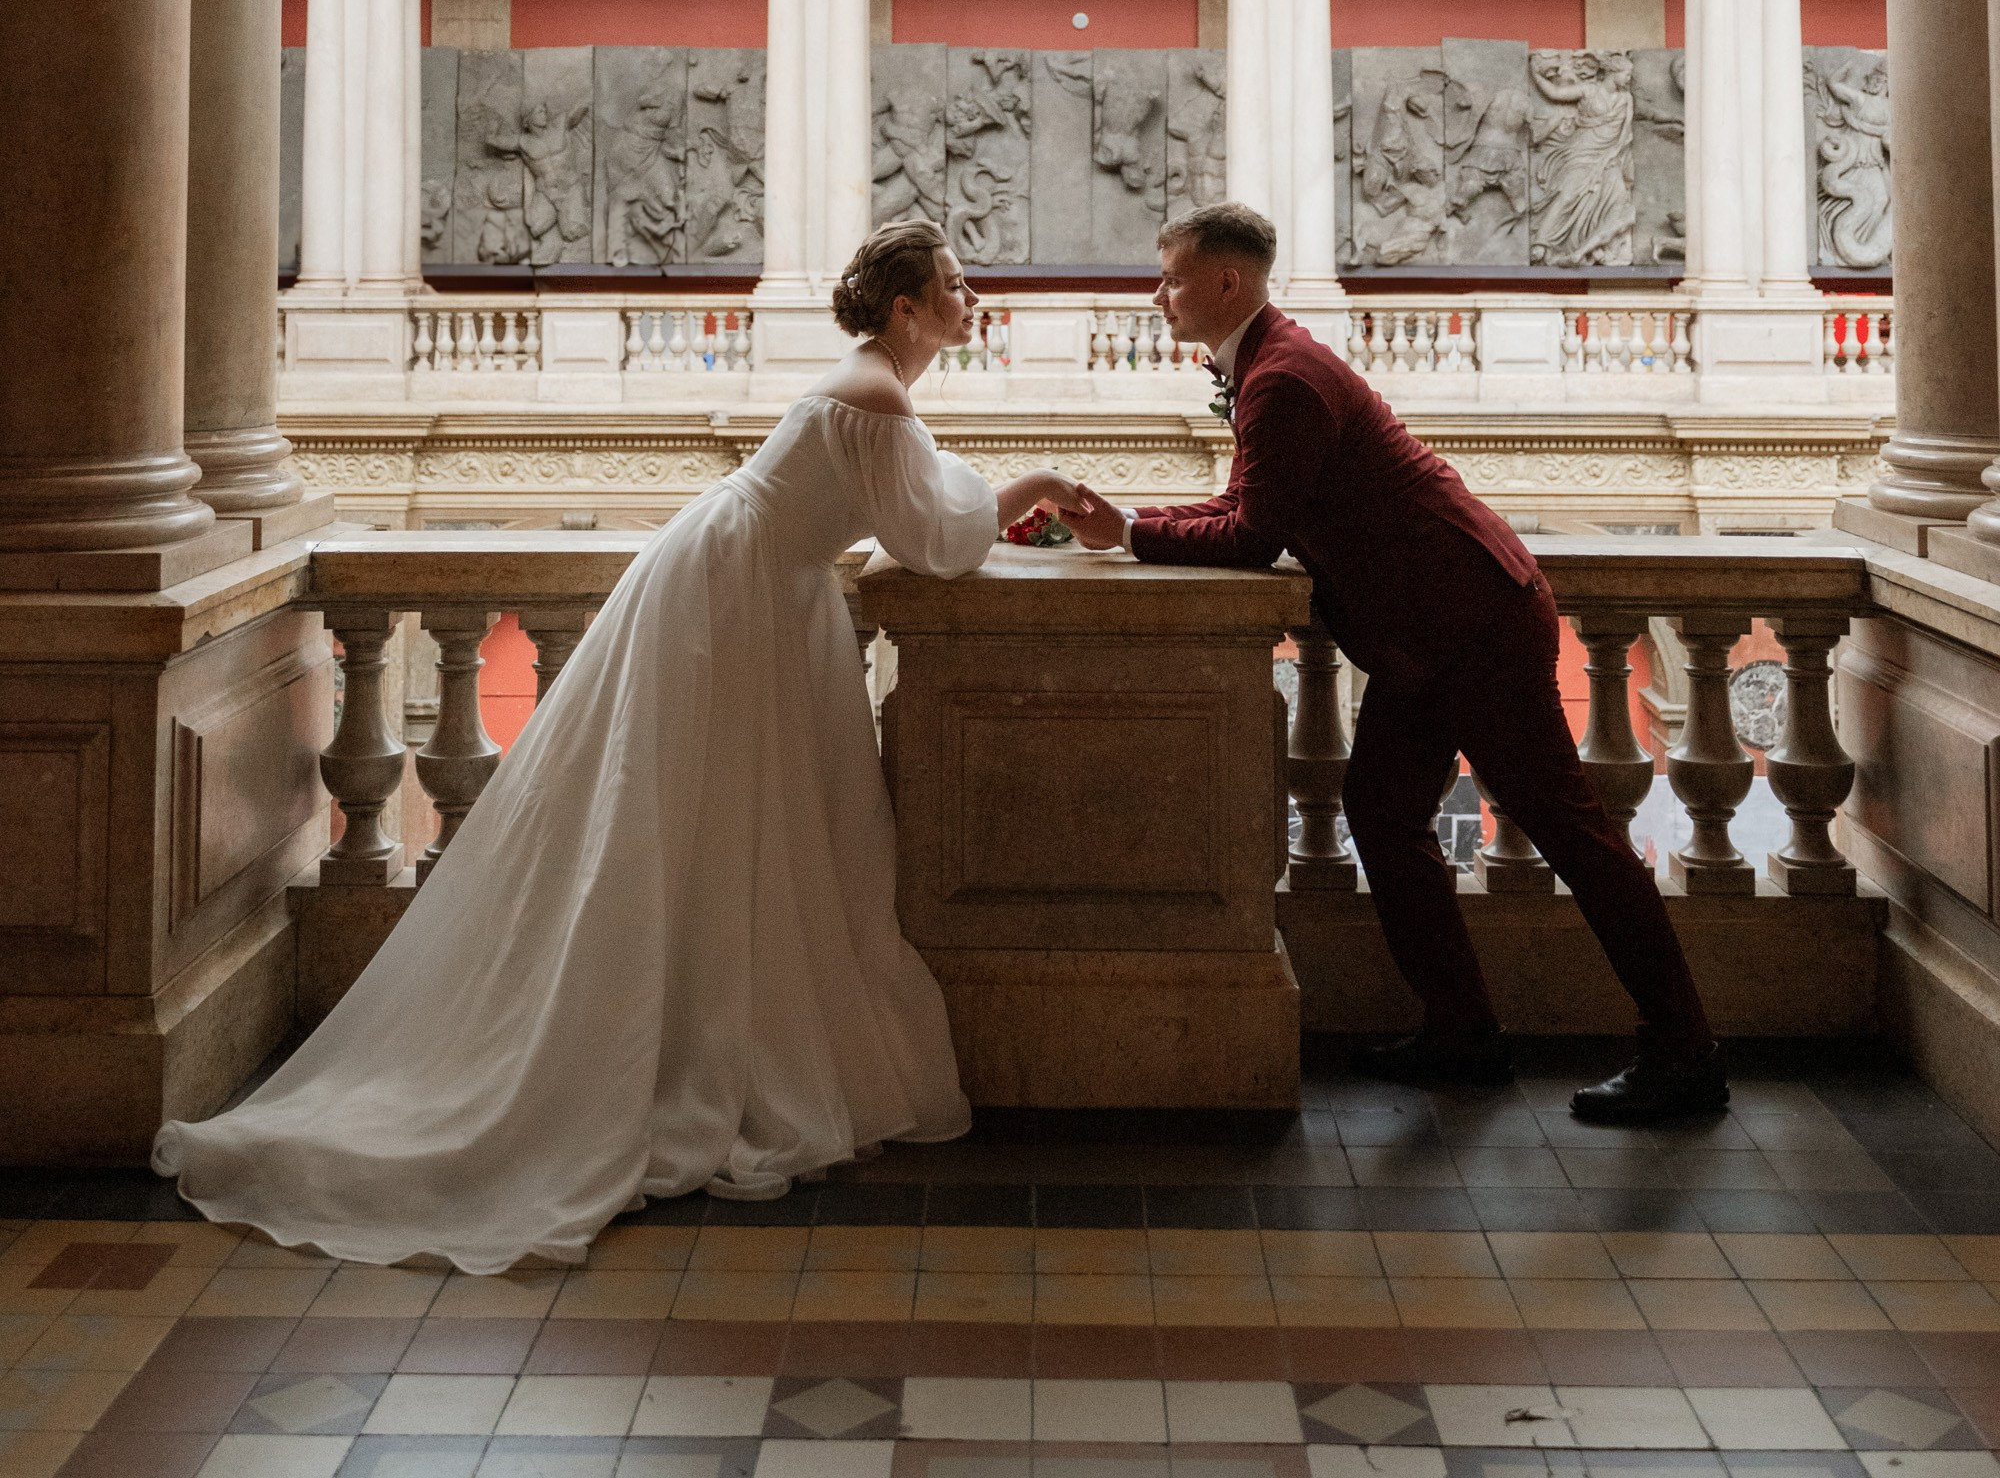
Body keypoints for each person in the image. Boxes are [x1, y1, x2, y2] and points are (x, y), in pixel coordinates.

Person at [154, 223, 1074, 1269]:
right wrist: (1035, 484)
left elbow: (916, 501)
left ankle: (709, 1031)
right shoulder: (874, 390)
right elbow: (939, 540)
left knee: (731, 822)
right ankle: (692, 1052)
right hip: (739, 599)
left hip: (748, 585)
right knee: (716, 820)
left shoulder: (871, 383)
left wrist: (1017, 488)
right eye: (954, 283)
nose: (973, 294)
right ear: (906, 309)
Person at [1057, 200, 1727, 1124]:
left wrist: (1131, 536)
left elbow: (1253, 537)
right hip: (1431, 634)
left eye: (1169, 276)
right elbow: (1248, 500)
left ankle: (1685, 1054)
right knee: (1380, 810)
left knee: (1578, 839)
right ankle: (1462, 1030)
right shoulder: (1270, 363)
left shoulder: (1281, 376)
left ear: (1225, 282)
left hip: (1473, 626)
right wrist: (1131, 524)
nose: (1157, 294)